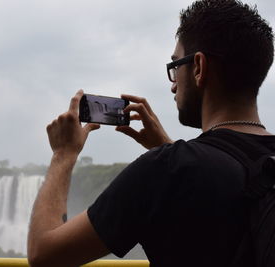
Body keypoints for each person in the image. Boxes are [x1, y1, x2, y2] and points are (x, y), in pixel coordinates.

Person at [27, 0, 275, 267]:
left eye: (175, 67)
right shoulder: (178, 167)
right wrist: (166, 147)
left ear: (199, 67)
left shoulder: (167, 171)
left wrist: (63, 154)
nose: (172, 87)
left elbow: (44, 255)